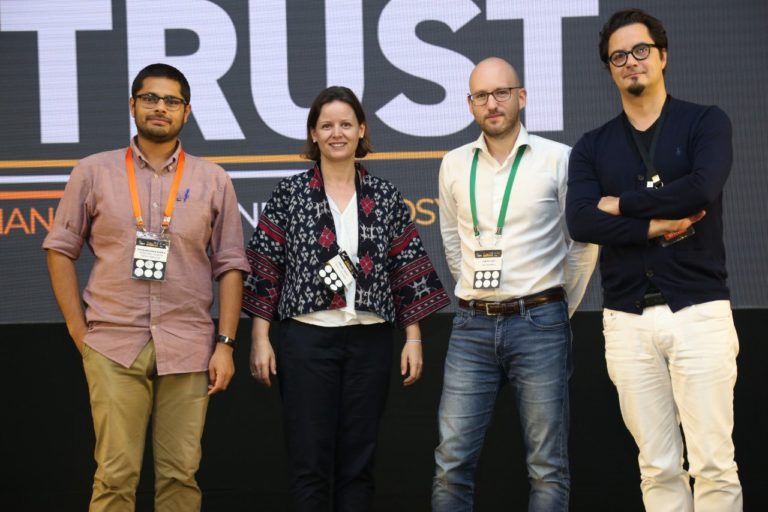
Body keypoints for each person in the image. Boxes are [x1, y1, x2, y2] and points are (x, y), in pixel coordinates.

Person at [43, 63, 249, 512]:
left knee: (180, 475)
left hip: (189, 344)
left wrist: (226, 344)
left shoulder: (213, 179)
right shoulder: (93, 172)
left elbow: (231, 265)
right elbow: (59, 248)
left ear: (186, 112)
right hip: (113, 343)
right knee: (115, 476)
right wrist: (80, 332)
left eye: (171, 101)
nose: (160, 107)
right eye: (150, 98)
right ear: (133, 105)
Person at [566, 9, 742, 511]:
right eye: (618, 56)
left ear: (662, 56)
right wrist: (653, 226)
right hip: (627, 320)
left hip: (699, 312)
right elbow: (581, 221)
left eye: (640, 50)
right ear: (609, 69)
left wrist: (621, 204)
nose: (631, 62)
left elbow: (701, 189)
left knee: (713, 464)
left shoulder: (705, 122)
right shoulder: (592, 146)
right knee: (657, 468)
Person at [242, 85, 450, 511]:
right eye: (326, 125)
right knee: (309, 461)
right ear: (313, 134)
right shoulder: (290, 193)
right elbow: (266, 267)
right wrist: (260, 338)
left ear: (361, 130)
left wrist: (413, 338)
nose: (336, 133)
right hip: (307, 340)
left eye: (345, 124)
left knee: (359, 463)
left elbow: (405, 269)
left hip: (369, 341)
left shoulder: (385, 196)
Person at [432, 57, 597, 511]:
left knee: (547, 467)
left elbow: (583, 245)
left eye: (501, 93)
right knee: (450, 463)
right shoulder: (453, 164)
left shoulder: (559, 158)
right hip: (471, 327)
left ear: (521, 97)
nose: (492, 103)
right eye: (481, 96)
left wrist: (555, 306)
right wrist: (476, 291)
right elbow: (452, 242)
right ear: (470, 105)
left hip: (540, 323)